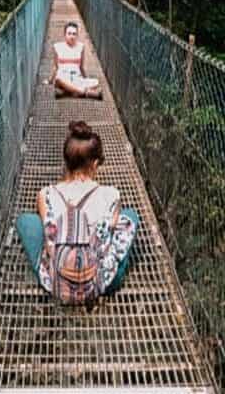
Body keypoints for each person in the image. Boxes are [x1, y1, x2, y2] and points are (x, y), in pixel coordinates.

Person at [16, 121, 139, 301]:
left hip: (56, 282)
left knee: (27, 221)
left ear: (66, 162)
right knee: (130, 216)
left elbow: (47, 228)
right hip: (99, 283)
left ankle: (56, 274)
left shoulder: (46, 194)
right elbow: (113, 226)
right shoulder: (112, 194)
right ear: (95, 164)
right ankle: (107, 275)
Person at [45, 20, 102, 99]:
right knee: (58, 79)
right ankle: (86, 93)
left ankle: (67, 92)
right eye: (69, 33)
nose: (71, 36)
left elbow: (81, 67)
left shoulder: (81, 47)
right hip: (62, 77)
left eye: (74, 34)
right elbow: (56, 67)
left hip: (76, 78)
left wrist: (85, 78)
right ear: (65, 34)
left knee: (96, 82)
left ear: (77, 35)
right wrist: (50, 80)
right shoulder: (57, 47)